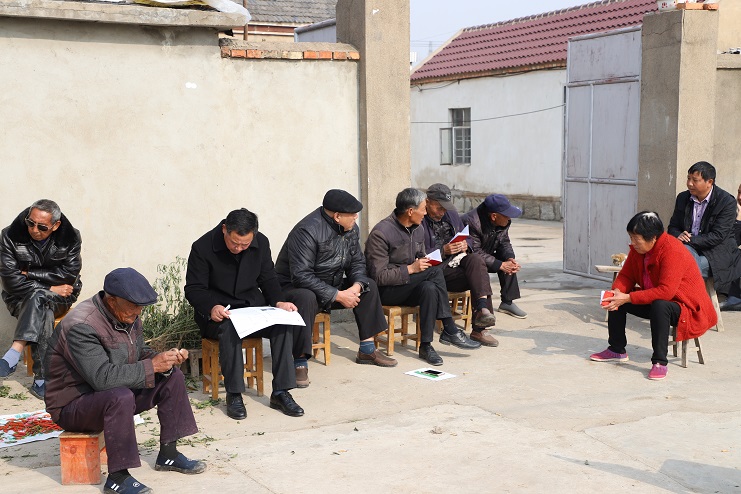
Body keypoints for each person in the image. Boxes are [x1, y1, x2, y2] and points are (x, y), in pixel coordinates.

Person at [45, 268, 206, 494]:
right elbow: (102, 378)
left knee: (172, 376)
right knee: (120, 396)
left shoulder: (127, 314)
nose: (138, 312)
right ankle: (118, 478)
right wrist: (152, 366)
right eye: (134, 306)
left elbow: (139, 353)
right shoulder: (81, 325)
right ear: (112, 301)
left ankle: (169, 454)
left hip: (109, 394)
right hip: (72, 406)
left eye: (141, 307)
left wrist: (164, 359)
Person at [185, 208, 304, 420]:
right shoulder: (202, 247)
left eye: (245, 244)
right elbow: (194, 289)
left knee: (283, 323)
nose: (239, 248)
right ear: (224, 229)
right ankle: (234, 394)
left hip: (252, 308)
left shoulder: (261, 242)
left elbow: (268, 278)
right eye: (234, 243)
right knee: (230, 328)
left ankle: (281, 392)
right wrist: (212, 307)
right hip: (219, 313)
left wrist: (279, 302)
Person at [275, 189, 397, 374]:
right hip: (295, 288)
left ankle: (367, 349)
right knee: (306, 297)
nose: (356, 217)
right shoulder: (307, 231)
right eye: (352, 214)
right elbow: (301, 275)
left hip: (331, 283)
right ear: (337, 216)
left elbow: (357, 263)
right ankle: (299, 361)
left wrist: (356, 286)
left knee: (369, 286)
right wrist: (338, 295)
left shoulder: (351, 229)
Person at [590, 212, 716, 381]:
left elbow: (666, 292)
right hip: (656, 299)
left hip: (685, 306)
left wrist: (628, 298)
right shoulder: (638, 250)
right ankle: (616, 349)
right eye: (631, 238)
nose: (632, 243)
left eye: (636, 239)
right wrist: (618, 292)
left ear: (653, 238)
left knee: (659, 305)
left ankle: (659, 362)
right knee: (616, 298)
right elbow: (626, 275)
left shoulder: (672, 250)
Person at [365, 188, 481, 367]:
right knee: (434, 273)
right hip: (386, 291)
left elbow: (421, 257)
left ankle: (425, 346)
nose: (425, 213)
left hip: (408, 286)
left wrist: (426, 262)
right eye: (423, 209)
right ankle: (449, 327)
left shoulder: (417, 229)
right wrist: (411, 269)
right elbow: (378, 276)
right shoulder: (381, 233)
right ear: (410, 211)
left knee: (429, 288)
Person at [0, 199, 82, 400]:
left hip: (61, 297)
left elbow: (68, 275)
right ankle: (42, 379)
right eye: (31, 223)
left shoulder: (70, 238)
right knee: (43, 307)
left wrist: (29, 274)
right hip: (19, 298)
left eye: (42, 227)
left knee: (39, 298)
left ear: (56, 225)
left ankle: (16, 350)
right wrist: (48, 287)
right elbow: (11, 282)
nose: (34, 230)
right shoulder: (9, 236)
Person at [421, 184, 499, 347]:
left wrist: (465, 245)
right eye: (439, 208)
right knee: (479, 276)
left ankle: (481, 317)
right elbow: (417, 253)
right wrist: (443, 251)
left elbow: (467, 236)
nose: (442, 212)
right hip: (434, 273)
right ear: (427, 202)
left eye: (445, 208)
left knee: (477, 262)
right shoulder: (419, 217)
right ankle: (480, 324)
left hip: (454, 266)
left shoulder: (450, 213)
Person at [667, 161, 741, 297]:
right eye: (688, 178)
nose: (689, 184)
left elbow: (718, 236)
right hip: (689, 249)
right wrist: (678, 235)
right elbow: (673, 227)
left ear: (709, 182)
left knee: (680, 267)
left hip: (716, 253)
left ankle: (684, 303)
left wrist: (688, 240)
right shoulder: (683, 198)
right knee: (681, 260)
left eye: (695, 180)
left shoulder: (726, 202)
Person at [462, 194, 527, 319]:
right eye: (507, 215)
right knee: (498, 263)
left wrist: (509, 258)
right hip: (470, 261)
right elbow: (474, 251)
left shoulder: (503, 222)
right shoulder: (471, 222)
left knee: (507, 262)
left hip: (486, 253)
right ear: (494, 216)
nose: (509, 218)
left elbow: (504, 242)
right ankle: (483, 310)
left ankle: (507, 302)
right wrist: (499, 265)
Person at [720, 182, 741, 311]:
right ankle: (733, 297)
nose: (740, 197)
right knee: (734, 253)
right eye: (739, 192)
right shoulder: (731, 211)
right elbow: (734, 242)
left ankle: (734, 297)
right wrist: (738, 219)